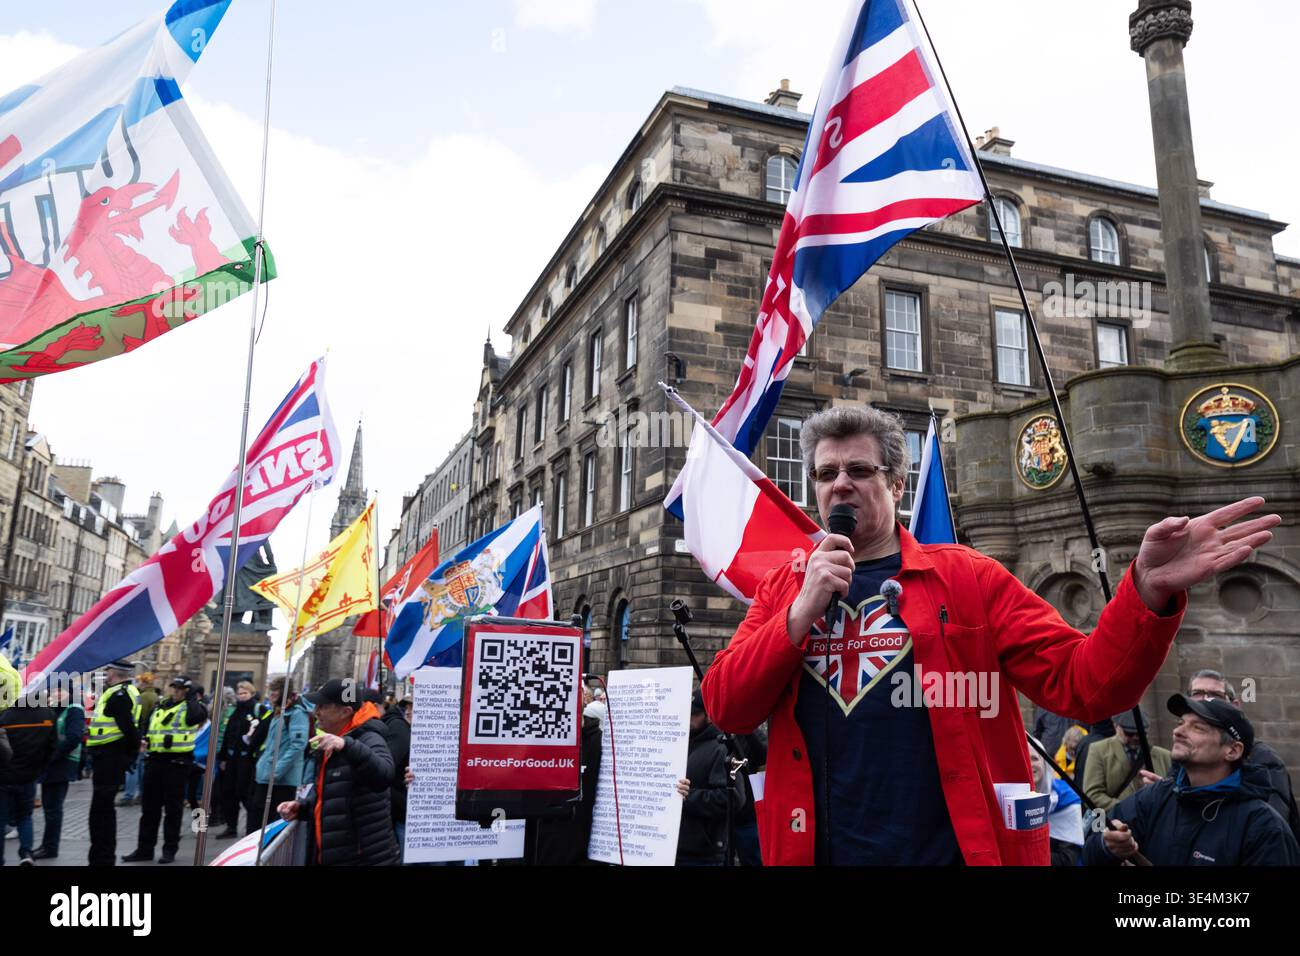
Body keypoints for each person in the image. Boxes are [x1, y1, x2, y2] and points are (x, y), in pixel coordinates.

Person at [700, 405, 1279, 866]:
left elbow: (1086, 686)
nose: (842, 485)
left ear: (897, 484)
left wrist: (1146, 591)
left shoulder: (967, 578)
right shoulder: (787, 587)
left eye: (860, 470)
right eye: (827, 474)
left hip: (952, 853)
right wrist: (798, 614)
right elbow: (727, 704)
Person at [1084, 694, 1299, 866]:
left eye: (1197, 728)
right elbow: (1094, 836)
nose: (1178, 731)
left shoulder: (1264, 828)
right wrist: (1107, 845)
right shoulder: (1154, 798)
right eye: (1181, 723)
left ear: (1232, 750)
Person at [277, 679, 399, 865]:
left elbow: (384, 776)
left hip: (362, 858)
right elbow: (336, 795)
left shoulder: (369, 738)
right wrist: (302, 808)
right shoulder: (333, 738)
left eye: (323, 706)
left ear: (345, 711)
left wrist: (347, 745)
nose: (316, 711)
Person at [1185, 669, 1299, 842]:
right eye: (1197, 693)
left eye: (1215, 694)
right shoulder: (1187, 757)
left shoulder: (1265, 760)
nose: (1205, 700)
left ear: (1234, 705)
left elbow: (1272, 832)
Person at [122, 676, 207, 864]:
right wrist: (143, 739)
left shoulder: (191, 707)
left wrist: (191, 696)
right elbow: (147, 726)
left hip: (177, 763)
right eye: (174, 687)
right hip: (154, 761)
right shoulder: (160, 706)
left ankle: (169, 850)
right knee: (149, 809)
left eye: (180, 688)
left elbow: (197, 717)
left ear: (187, 690)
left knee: (173, 810)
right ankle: (144, 849)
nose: (176, 691)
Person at [676, 690, 745, 866]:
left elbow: (734, 798)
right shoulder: (680, 744)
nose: (690, 718)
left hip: (703, 853)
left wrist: (689, 797)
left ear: (709, 716)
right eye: (688, 713)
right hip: (674, 846)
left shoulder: (722, 748)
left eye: (695, 714)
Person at [86, 660, 142, 866]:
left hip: (110, 754)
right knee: (102, 809)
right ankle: (101, 856)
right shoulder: (121, 692)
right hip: (109, 754)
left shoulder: (120, 694)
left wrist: (130, 753)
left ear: (115, 672)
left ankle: (102, 858)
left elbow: (128, 727)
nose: (106, 674)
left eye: (107, 670)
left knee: (101, 810)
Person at [248, 677, 310, 833]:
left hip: (280, 781)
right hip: (265, 775)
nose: (271, 694)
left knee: (271, 826)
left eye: (276, 691)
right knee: (255, 820)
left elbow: (298, 745)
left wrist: (276, 771)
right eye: (271, 691)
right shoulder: (278, 712)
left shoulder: (296, 714)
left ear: (284, 692)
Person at [0, 692, 56, 865]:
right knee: (25, 817)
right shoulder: (48, 715)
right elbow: (52, 746)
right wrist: (40, 768)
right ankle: (26, 854)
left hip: (4, 776)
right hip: (29, 775)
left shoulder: (6, 715)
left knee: (1, 820)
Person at [32, 685, 85, 860]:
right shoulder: (56, 709)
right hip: (53, 763)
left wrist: (54, 754)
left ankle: (50, 847)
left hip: (62, 764)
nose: (56, 693)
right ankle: (47, 846)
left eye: (60, 691)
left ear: (70, 693)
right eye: (54, 691)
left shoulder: (74, 709)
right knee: (49, 807)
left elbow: (74, 737)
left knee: (53, 809)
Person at [1081, 709, 1172, 812]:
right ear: (1116, 727)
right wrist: (1127, 808)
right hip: (1117, 822)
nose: (1135, 737)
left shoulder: (1164, 756)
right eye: (1129, 733)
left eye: (1141, 733)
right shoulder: (1099, 750)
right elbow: (1092, 794)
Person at [217, 680, 262, 837]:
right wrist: (222, 757)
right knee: (229, 793)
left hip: (246, 759)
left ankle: (253, 827)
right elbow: (228, 734)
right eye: (240, 693)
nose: (242, 696)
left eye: (245, 693)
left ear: (251, 694)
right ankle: (231, 826)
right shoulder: (235, 711)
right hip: (231, 757)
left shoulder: (257, 709)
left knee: (244, 793)